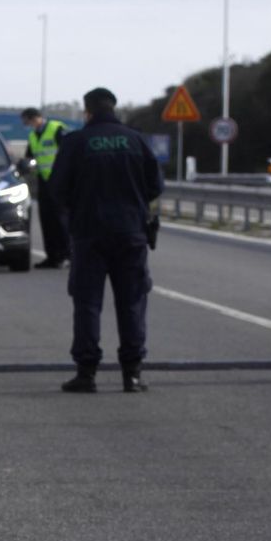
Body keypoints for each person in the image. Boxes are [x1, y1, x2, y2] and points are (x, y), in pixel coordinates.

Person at [49, 87, 163, 393]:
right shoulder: (136, 140)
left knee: (88, 304)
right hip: (131, 234)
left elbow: (57, 189)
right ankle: (132, 374)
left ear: (87, 112)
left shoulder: (76, 142)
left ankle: (86, 373)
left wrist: (77, 208)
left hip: (89, 234)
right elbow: (156, 185)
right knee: (132, 303)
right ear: (114, 108)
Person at [21, 107, 69, 268]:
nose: (28, 125)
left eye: (28, 121)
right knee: (46, 220)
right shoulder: (33, 136)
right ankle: (53, 256)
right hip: (44, 181)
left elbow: (68, 152)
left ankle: (68, 255)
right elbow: (29, 158)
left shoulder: (56, 129)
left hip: (60, 181)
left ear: (35, 118)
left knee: (61, 219)